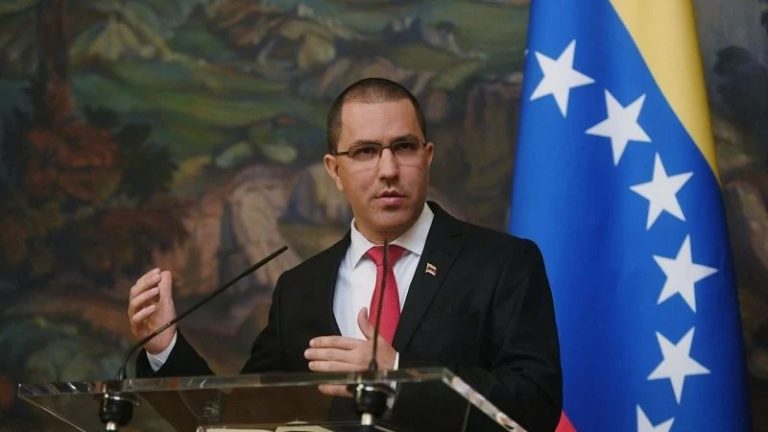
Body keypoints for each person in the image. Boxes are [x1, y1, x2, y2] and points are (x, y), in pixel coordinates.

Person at [128, 78, 562, 431]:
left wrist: (397, 373)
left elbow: (535, 407)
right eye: (365, 152)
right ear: (335, 171)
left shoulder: (502, 263)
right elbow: (241, 419)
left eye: (404, 147)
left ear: (427, 157)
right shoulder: (300, 289)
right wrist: (165, 347)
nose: (388, 170)